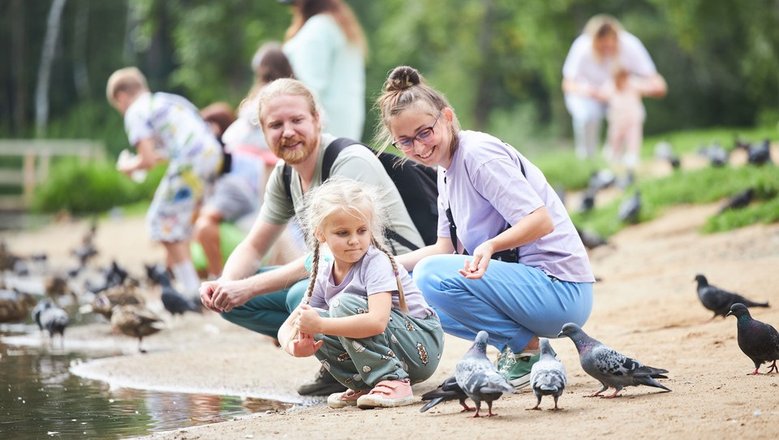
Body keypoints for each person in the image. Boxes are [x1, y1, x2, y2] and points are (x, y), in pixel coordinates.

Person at [199, 78, 424, 396]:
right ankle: (338, 354)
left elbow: (325, 259)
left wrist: (247, 286)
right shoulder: (285, 174)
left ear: (317, 119)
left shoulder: (348, 160)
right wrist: (225, 285)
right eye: (275, 125)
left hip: (387, 285)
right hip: (339, 279)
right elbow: (253, 245)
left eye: (297, 120)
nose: (287, 131)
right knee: (234, 302)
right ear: (264, 132)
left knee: (299, 297)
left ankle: (355, 361)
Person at [376, 65, 596, 389]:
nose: (419, 147)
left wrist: (491, 245)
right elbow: (444, 249)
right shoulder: (444, 169)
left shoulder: (478, 155)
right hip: (533, 291)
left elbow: (540, 220)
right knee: (408, 285)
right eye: (405, 141)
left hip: (562, 290)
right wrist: (382, 265)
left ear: (447, 117)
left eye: (425, 132)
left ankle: (524, 349)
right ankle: (520, 349)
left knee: (428, 275)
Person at [278, 177, 443, 409]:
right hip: (394, 348)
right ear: (321, 234)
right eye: (343, 233)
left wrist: (320, 326)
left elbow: (377, 322)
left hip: (420, 343)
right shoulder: (325, 273)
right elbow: (289, 326)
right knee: (313, 316)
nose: (354, 240)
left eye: (362, 230)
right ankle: (365, 384)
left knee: (338, 307)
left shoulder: (376, 262)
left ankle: (394, 381)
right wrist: (292, 345)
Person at [107, 67, 222, 300]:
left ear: (121, 97)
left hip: (191, 161)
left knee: (160, 221)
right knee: (179, 224)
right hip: (212, 156)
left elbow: (147, 160)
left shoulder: (134, 111)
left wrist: (128, 166)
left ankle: (190, 289)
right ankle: (196, 285)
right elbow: (166, 152)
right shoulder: (165, 101)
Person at [561, 14, 667, 159]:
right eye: (602, 45)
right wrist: (589, 91)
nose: (607, 49)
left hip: (617, 97)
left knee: (632, 114)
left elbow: (655, 79)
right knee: (587, 116)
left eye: (611, 44)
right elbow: (568, 83)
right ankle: (586, 157)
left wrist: (647, 88)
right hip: (589, 96)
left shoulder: (630, 44)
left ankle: (619, 156)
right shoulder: (581, 47)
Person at [277, 0, 366, 140]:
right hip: (344, 130)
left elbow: (308, 90)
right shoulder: (337, 24)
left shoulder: (317, 29)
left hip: (322, 134)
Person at [195, 103, 264, 279]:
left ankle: (217, 277)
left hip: (254, 243)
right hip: (241, 236)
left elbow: (207, 217)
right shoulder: (215, 180)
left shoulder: (230, 182)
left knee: (203, 227)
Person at [602, 66, 649, 179]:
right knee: (614, 139)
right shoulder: (610, 86)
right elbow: (601, 94)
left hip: (633, 119)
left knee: (633, 138)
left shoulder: (633, 84)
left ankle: (632, 157)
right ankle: (613, 157)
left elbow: (647, 87)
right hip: (617, 120)